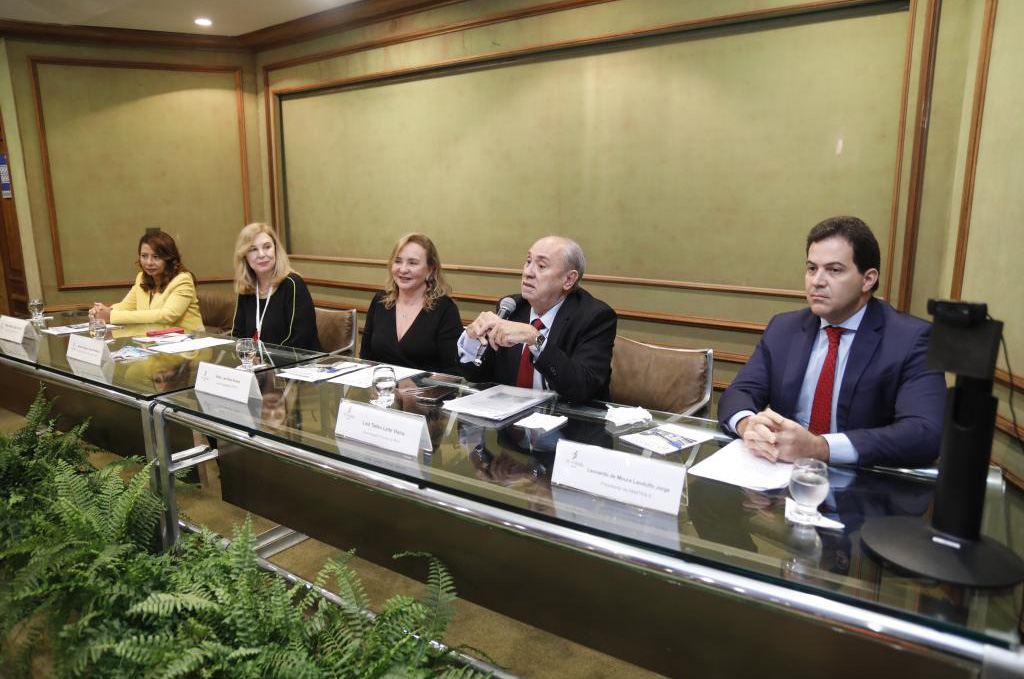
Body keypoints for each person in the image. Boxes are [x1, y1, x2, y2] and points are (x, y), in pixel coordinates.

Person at [717, 216, 945, 468]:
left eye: (834, 270)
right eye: (812, 268)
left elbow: (924, 433)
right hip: (782, 478)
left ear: (867, 279)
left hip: (863, 483)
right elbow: (739, 393)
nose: (817, 281)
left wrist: (820, 448)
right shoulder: (784, 328)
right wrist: (749, 425)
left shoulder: (912, 338)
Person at [458, 236, 617, 403]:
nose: (527, 272)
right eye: (528, 262)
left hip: (568, 422)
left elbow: (582, 386)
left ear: (569, 279)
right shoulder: (512, 308)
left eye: (541, 266)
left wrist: (536, 339)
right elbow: (476, 376)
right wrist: (471, 339)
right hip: (511, 421)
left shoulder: (595, 316)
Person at [360, 233, 462, 374]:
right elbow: (366, 358)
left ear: (430, 270)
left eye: (412, 263)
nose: (402, 269)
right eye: (398, 261)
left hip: (425, 393)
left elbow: (452, 371)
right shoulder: (379, 301)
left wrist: (418, 390)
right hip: (382, 390)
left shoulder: (445, 309)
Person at [230, 222, 320, 351]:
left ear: (276, 250)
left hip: (297, 365)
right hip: (257, 366)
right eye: (253, 249)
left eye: (267, 247)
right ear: (244, 255)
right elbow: (238, 335)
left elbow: (300, 339)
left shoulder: (292, 284)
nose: (261, 254)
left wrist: (266, 360)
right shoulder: (246, 289)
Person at [89, 231, 203, 331]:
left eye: (156, 257)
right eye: (144, 256)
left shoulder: (183, 279)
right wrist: (102, 311)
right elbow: (126, 306)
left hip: (189, 345)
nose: (149, 262)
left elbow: (167, 315)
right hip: (155, 343)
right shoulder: (141, 278)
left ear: (169, 259)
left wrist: (111, 315)